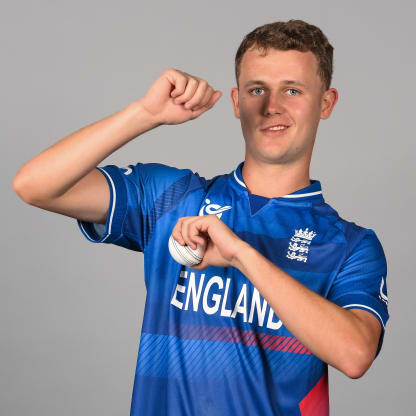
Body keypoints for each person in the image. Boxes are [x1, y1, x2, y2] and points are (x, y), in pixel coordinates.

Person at [13, 19, 389, 416]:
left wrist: (242, 255)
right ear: (236, 101)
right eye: (256, 89)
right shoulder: (174, 197)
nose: (271, 106)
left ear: (325, 103)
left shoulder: (351, 245)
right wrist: (144, 113)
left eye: (292, 90)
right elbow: (34, 185)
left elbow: (355, 355)